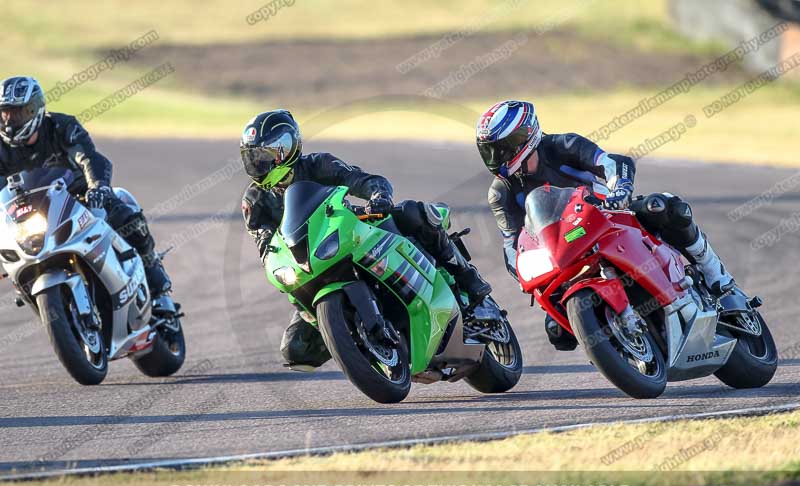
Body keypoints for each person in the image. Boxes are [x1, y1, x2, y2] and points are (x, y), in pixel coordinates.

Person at [241, 109, 491, 371]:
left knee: (413, 213)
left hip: (346, 233)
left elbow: (363, 180)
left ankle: (469, 280)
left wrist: (378, 196)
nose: (258, 163)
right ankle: (355, 339)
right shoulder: (254, 200)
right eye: (252, 156)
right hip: (309, 266)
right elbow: (266, 247)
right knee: (295, 348)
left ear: (286, 148)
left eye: (265, 154)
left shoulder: (318, 164)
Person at [476, 100, 737, 350]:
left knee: (665, 207)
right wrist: (526, 274)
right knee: (558, 332)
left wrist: (620, 188)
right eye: (488, 150)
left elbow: (611, 163)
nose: (496, 157)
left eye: (502, 147)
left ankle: (716, 275)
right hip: (566, 252)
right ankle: (615, 345)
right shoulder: (501, 193)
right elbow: (512, 244)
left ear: (525, 135)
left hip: (610, 217)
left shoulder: (562, 146)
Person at [0, 76, 171, 297]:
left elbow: (89, 158)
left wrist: (98, 187)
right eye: (5, 114)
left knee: (124, 215)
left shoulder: (62, 126)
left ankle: (151, 267)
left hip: (78, 197)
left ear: (35, 109)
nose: (9, 121)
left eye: (17, 113)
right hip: (29, 212)